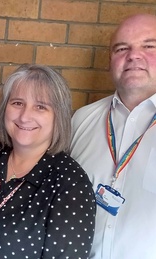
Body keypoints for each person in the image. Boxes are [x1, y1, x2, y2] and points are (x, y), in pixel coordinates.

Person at [0, 64, 96, 258]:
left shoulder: (71, 183)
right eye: (18, 103)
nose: (25, 116)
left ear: (58, 117)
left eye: (40, 107)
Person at [71, 13, 156, 259]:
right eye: (121, 48)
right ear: (110, 60)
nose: (133, 55)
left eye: (149, 46)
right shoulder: (80, 121)